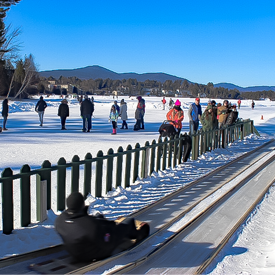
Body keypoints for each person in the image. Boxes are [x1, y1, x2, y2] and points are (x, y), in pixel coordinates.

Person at [55, 192, 145, 262]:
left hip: (75, 253)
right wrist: (110, 229)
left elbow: (81, 227)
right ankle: (138, 234)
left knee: (99, 217)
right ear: (81, 204)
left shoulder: (60, 220)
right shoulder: (89, 225)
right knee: (128, 222)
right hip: (96, 253)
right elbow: (106, 243)